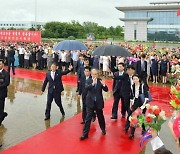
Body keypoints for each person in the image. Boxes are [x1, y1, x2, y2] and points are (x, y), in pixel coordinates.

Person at [80, 69, 108, 140]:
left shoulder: (100, 81)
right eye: (94, 74)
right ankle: (85, 134)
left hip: (98, 102)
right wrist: (93, 84)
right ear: (91, 74)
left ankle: (103, 129)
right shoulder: (88, 80)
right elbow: (86, 87)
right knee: (88, 118)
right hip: (90, 102)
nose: (95, 75)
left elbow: (106, 90)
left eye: (96, 74)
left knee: (100, 117)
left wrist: (104, 84)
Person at [125, 74, 149, 139]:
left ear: (139, 79)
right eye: (133, 79)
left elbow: (146, 96)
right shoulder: (132, 86)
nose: (135, 80)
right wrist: (131, 104)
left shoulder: (143, 86)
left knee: (142, 116)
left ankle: (143, 129)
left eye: (136, 79)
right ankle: (132, 133)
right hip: (135, 102)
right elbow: (132, 96)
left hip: (142, 102)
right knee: (133, 116)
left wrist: (144, 105)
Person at [0, 59, 10, 125]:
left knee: (1, 107)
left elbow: (7, 83)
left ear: (3, 65)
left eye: (0, 64)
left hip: (2, 93)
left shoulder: (6, 73)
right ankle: (3, 114)